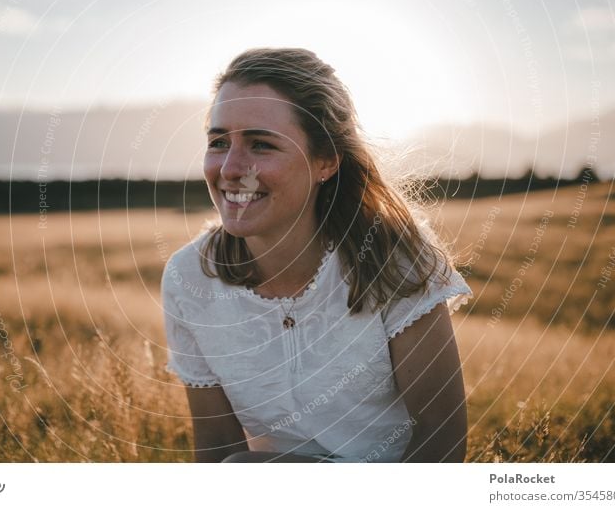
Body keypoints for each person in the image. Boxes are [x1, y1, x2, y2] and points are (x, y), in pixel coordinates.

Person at [161, 48, 473, 463]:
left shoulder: (390, 255)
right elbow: (218, 445)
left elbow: (442, 433)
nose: (231, 167)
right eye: (218, 142)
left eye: (261, 144)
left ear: (324, 161)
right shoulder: (189, 278)